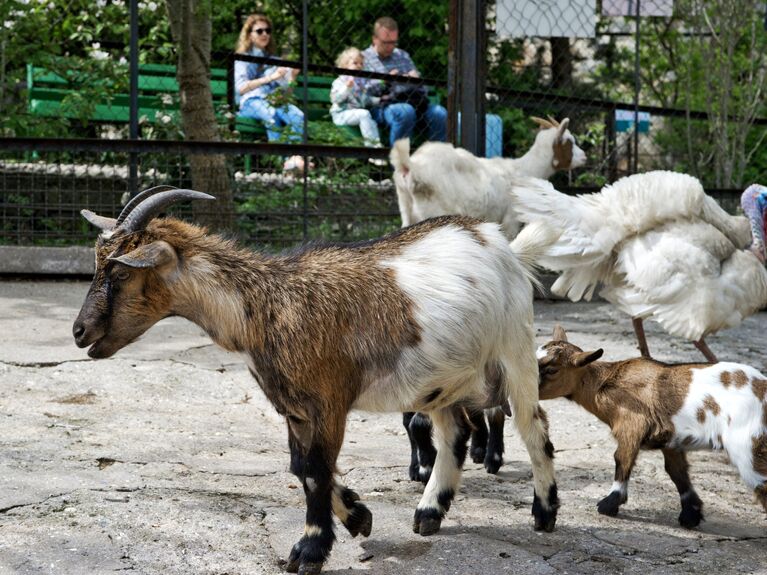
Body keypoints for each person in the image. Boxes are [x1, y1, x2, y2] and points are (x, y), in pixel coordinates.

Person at [234, 13, 307, 173]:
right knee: (271, 115)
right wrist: (269, 77)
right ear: (249, 35)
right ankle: (284, 162)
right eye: (260, 31)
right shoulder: (242, 58)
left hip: (273, 101)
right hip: (250, 102)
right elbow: (240, 88)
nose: (265, 34)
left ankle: (295, 158)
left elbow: (285, 94)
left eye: (268, 30)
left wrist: (291, 79)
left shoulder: (274, 59)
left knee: (297, 115)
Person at [362, 17, 447, 146]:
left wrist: (414, 80)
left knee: (440, 113)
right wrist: (386, 81)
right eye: (386, 42)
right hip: (381, 107)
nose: (391, 47)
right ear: (374, 39)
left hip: (413, 103)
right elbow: (363, 91)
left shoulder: (402, 55)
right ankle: (398, 163)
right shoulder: (363, 58)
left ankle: (435, 161)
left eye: (393, 42)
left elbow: (424, 88)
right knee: (405, 112)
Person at [330, 47, 387, 166]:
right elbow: (335, 99)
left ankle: (376, 148)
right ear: (345, 65)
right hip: (341, 114)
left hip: (355, 115)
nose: (359, 65)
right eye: (355, 63)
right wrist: (347, 87)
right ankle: (371, 151)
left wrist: (379, 100)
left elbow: (365, 100)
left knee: (371, 121)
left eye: (361, 63)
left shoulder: (360, 83)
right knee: (365, 114)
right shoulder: (340, 81)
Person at [741, 183, 767, 264]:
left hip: (755, 197)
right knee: (759, 243)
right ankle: (756, 247)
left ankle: (757, 247)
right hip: (752, 196)